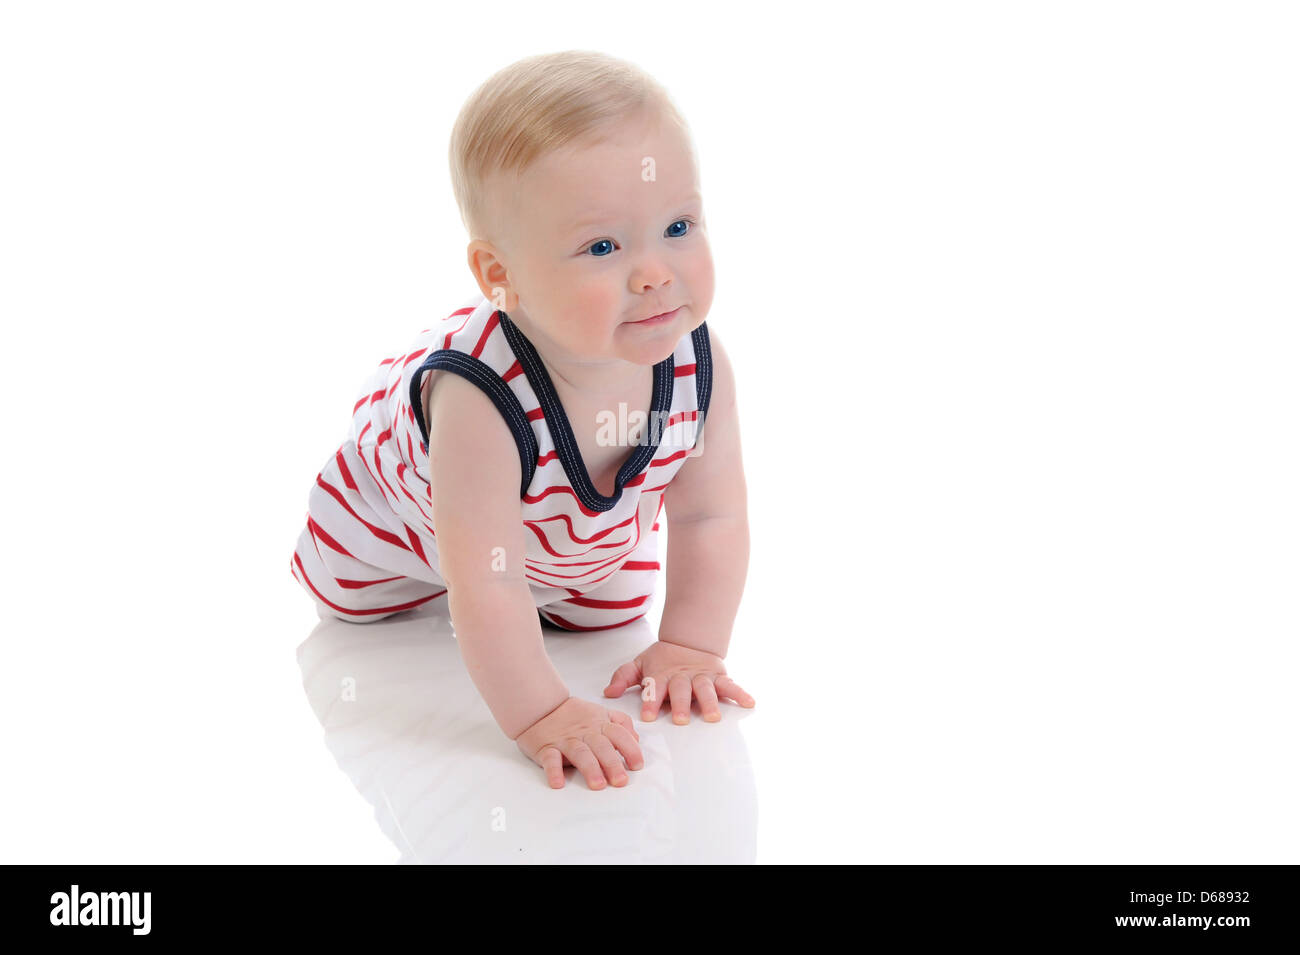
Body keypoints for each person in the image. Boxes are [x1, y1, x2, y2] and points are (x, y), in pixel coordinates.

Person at [289, 50, 754, 790]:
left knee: (609, 615)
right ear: (499, 275)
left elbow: (709, 517)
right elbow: (488, 586)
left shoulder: (697, 361)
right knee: (351, 606)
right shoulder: (479, 402)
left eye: (678, 224)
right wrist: (540, 711)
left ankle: (555, 567)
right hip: (389, 520)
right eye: (603, 246)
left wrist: (692, 646)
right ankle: (397, 565)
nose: (656, 271)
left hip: (568, 535)